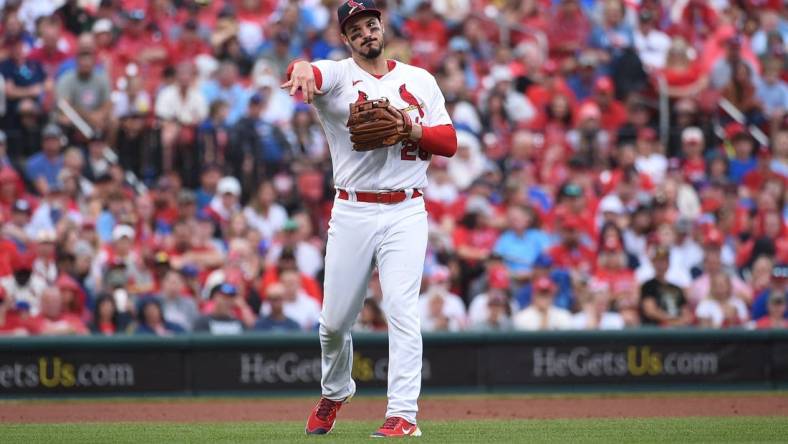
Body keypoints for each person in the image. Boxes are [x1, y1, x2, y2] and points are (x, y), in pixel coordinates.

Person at [285, 0, 457, 437]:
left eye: (371, 23)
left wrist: (410, 128)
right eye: (355, 28)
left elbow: (450, 142)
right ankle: (336, 391)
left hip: (406, 208)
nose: (366, 31)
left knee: (402, 310)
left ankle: (403, 415)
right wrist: (303, 65)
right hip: (353, 209)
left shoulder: (419, 80)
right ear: (346, 39)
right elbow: (313, 72)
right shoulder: (341, 74)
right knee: (334, 324)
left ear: (382, 27)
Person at [639, 246, 693, 327]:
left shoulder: (677, 288)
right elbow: (650, 311)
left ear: (668, 263)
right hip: (658, 331)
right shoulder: (647, 286)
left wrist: (680, 321)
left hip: (679, 329)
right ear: (653, 263)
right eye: (658, 261)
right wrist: (673, 320)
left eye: (664, 261)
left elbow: (686, 312)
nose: (661, 264)